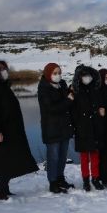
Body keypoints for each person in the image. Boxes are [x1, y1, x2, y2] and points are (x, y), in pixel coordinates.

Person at [0, 61, 38, 200]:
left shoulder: (2, 86)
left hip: (9, 130)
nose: (4, 71)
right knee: (2, 161)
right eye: (0, 69)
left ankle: (5, 189)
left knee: (9, 159)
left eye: (5, 68)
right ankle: (0, 193)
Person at [38, 63, 75, 194]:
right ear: (48, 74)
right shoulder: (44, 88)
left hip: (64, 127)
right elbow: (51, 109)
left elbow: (67, 100)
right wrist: (68, 100)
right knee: (53, 156)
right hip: (51, 128)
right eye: (54, 73)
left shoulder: (62, 85)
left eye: (59, 72)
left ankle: (60, 178)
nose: (58, 75)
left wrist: (71, 92)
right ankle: (53, 182)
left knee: (63, 156)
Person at [71, 64, 105, 191]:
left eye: (89, 75)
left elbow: (101, 104)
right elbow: (73, 111)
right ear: (79, 77)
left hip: (95, 127)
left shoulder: (96, 89)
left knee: (95, 155)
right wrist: (75, 126)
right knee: (84, 157)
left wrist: (102, 110)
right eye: (84, 75)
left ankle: (95, 179)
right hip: (82, 128)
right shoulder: (75, 91)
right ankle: (85, 180)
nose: (87, 78)